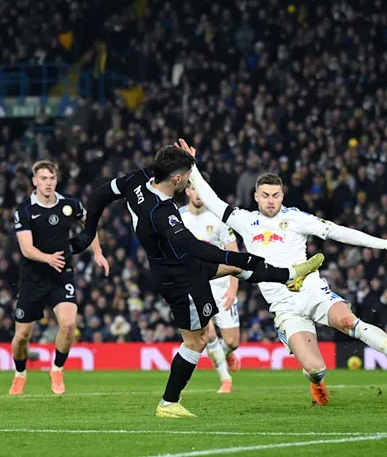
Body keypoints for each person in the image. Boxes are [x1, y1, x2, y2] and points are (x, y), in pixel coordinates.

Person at [176, 138, 387, 406]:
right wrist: (192, 166)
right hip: (283, 305)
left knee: (349, 322)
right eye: (265, 195)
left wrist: (382, 244)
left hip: (311, 290)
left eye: (275, 195)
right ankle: (317, 382)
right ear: (256, 196)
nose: (270, 201)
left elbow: (337, 231)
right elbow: (211, 199)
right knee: (315, 368)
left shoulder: (297, 218)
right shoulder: (244, 220)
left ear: (282, 195)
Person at [69, 145, 324, 417]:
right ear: (177, 180)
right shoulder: (162, 213)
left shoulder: (137, 180)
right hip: (178, 277)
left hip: (180, 264)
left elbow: (99, 195)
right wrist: (239, 257)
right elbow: (195, 247)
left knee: (234, 269)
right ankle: (168, 403)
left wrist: (87, 234)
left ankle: (290, 274)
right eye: (189, 174)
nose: (192, 179)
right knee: (197, 339)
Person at [10, 160, 110, 396]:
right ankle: (20, 374)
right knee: (22, 336)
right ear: (34, 181)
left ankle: (57, 369)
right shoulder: (24, 210)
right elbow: (26, 248)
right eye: (43, 178)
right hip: (32, 279)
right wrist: (47, 258)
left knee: (68, 325)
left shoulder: (69, 204)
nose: (48, 183)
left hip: (61, 275)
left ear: (57, 179)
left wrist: (98, 252)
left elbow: (90, 225)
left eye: (52, 178)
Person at [180, 175, 241, 393]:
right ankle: (225, 380)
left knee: (233, 341)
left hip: (222, 285)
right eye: (193, 190)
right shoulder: (177, 218)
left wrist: (234, 287)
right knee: (209, 333)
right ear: (187, 191)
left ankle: (227, 354)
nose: (197, 195)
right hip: (194, 285)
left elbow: (234, 254)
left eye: (200, 190)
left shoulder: (219, 219)